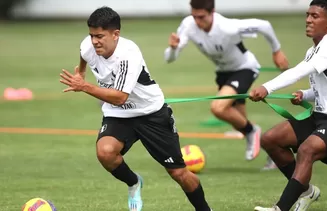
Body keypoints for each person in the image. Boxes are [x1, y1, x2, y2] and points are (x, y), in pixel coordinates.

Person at [59, 6, 212, 211]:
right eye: (92, 35)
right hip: (119, 114)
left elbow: (120, 97)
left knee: (179, 173)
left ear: (116, 34)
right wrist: (83, 74)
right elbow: (84, 55)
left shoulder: (128, 54)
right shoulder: (88, 46)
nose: (94, 41)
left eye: (100, 36)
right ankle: (134, 183)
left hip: (151, 114)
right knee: (105, 153)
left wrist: (84, 86)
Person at [249, 0, 327, 210]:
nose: (308, 20)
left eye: (315, 16)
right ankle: (307, 191)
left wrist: (266, 88)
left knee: (306, 150)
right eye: (308, 15)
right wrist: (305, 94)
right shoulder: (314, 50)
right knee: (271, 140)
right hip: (321, 116)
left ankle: (281, 208)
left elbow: (297, 72)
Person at [164, 0, 289, 165]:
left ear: (212, 12)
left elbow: (264, 25)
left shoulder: (227, 27)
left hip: (245, 68)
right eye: (194, 16)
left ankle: (253, 131)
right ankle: (274, 152)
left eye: (201, 17)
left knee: (218, 108)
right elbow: (169, 59)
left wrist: (276, 51)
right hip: (223, 74)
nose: (197, 22)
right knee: (240, 122)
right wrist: (173, 48)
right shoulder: (188, 25)